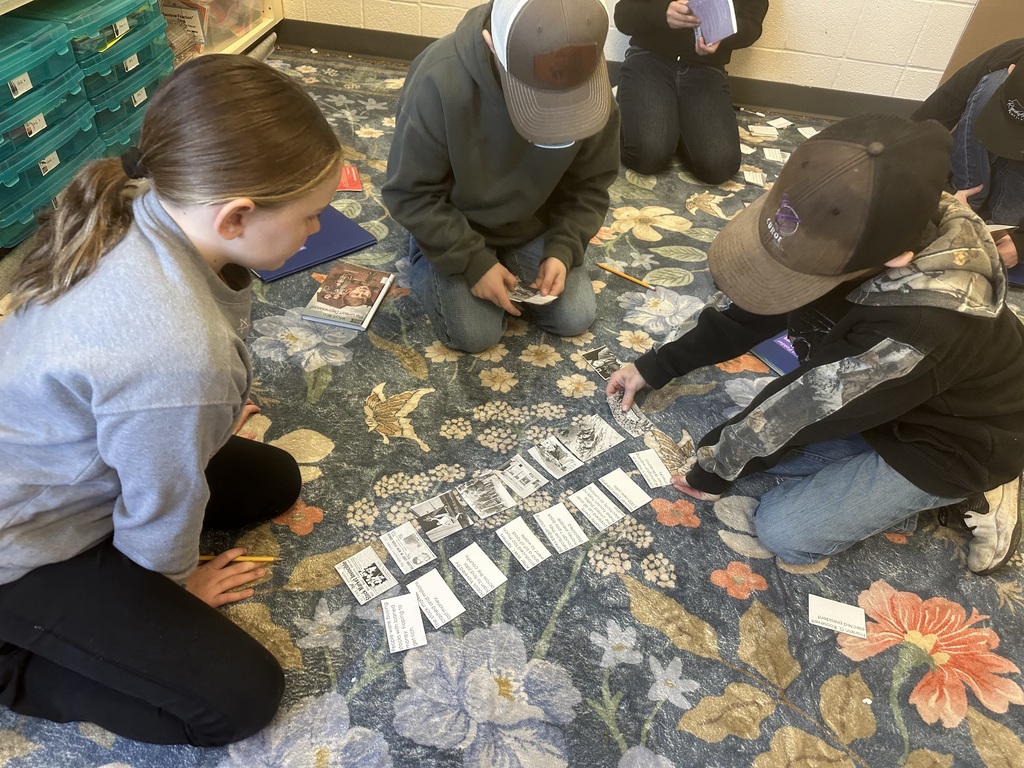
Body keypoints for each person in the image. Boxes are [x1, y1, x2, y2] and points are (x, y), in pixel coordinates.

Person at [0, 55, 343, 745]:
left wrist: (194, 415)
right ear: (237, 215)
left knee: (275, 479)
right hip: (20, 543)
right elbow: (164, 500)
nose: (317, 229)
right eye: (311, 216)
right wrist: (171, 589)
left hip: (68, 462)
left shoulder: (142, 201)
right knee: (239, 699)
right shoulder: (178, 353)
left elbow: (160, 400)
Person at [607, 113, 1024, 574]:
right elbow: (752, 312)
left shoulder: (915, 328)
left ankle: (988, 487)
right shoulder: (858, 220)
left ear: (896, 259)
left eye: (803, 277)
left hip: (959, 440)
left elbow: (801, 408)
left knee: (785, 531)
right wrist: (655, 366)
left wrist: (712, 470)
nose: (788, 285)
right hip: (886, 397)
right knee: (760, 459)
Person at [382, 0, 620, 353]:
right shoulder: (438, 78)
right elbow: (410, 192)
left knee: (575, 316)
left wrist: (564, 246)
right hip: (455, 219)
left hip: (533, 221)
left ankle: (502, 256)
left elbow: (590, 184)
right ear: (492, 43)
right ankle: (427, 253)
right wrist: (472, 262)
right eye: (537, 100)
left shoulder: (590, 86)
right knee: (475, 334)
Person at [613, 0, 769, 183]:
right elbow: (622, 16)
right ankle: (658, 117)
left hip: (706, 71)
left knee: (720, 167)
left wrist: (721, 35)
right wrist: (662, 13)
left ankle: (671, 122)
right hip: (650, 59)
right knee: (646, 156)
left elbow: (752, 26)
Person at [912, 39, 1024, 268]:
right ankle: (966, 198)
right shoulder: (1007, 57)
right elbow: (920, 129)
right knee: (993, 83)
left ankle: (996, 224)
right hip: (972, 172)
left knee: (1004, 235)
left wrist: (1021, 246)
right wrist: (943, 193)